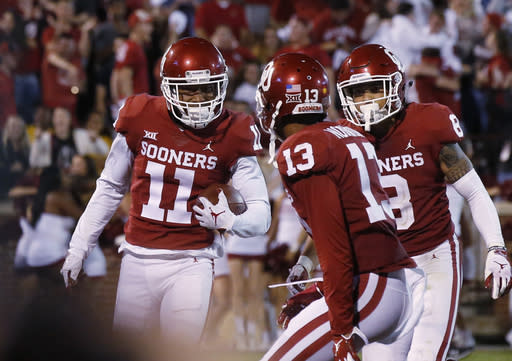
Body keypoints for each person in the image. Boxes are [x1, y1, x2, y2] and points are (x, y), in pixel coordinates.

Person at [59, 37, 271, 344]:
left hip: (192, 261)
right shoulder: (140, 115)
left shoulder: (233, 131)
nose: (198, 100)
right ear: (169, 88)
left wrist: (231, 222)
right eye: (189, 90)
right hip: (137, 258)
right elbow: (109, 188)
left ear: (221, 86)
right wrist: (79, 247)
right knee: (126, 350)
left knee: (175, 351)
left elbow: (261, 214)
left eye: (207, 89)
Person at [335, 44, 511, 360]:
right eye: (358, 92)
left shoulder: (428, 123)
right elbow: (333, 215)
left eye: (374, 89)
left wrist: (496, 248)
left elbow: (473, 191)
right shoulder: (342, 140)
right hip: (381, 270)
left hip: (433, 259)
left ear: (398, 86)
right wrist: (310, 262)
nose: (365, 101)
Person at [256, 52, 425, 361]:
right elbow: (346, 218)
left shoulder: (301, 147)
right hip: (386, 283)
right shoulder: (345, 133)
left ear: (277, 106)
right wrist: (310, 270)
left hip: (369, 288)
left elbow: (336, 244)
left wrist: (341, 329)